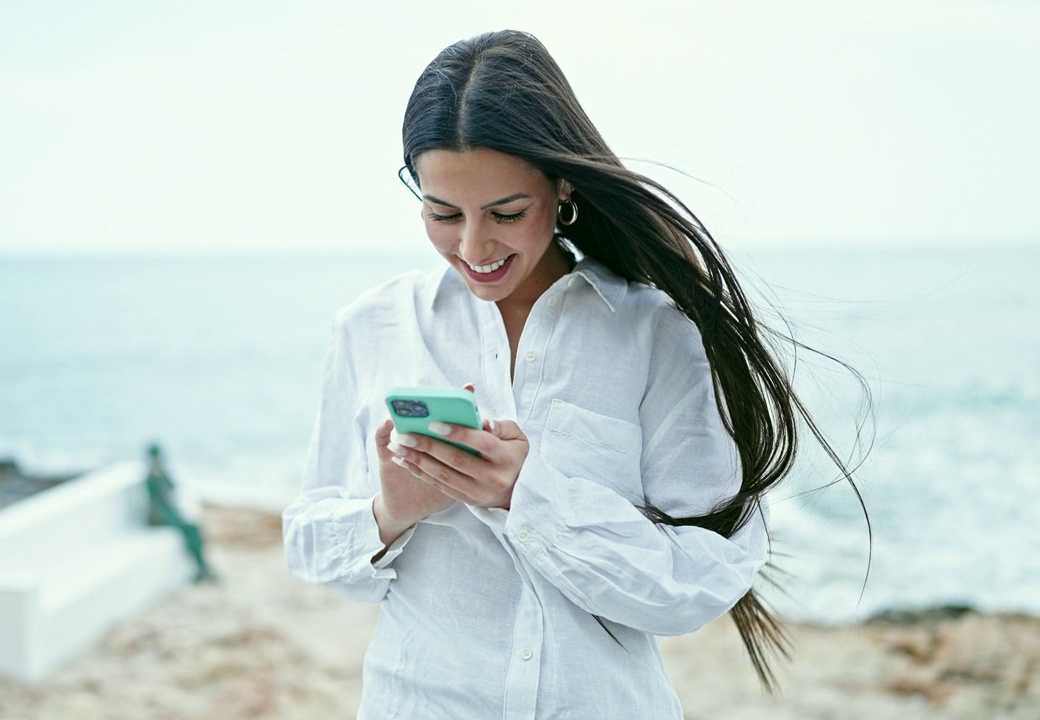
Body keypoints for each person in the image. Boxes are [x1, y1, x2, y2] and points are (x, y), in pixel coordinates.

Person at [283, 30, 865, 718]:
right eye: (443, 213)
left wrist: (528, 497)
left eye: (506, 213)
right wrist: (393, 513)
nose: (473, 247)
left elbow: (703, 581)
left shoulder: (656, 334)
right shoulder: (372, 326)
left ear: (562, 190)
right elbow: (311, 547)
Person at [145, 443, 215, 582]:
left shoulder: (162, 473)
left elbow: (173, 488)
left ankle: (202, 567)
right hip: (161, 515)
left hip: (170, 512)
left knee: (193, 529)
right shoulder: (151, 477)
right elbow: (156, 499)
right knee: (190, 529)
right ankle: (202, 568)